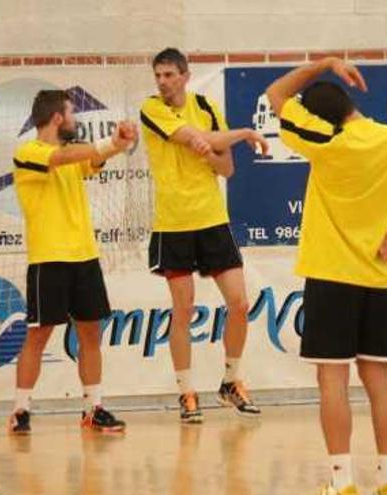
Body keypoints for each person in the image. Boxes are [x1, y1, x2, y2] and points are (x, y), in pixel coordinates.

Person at [266, 56, 387, 495]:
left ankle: (342, 481)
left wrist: (323, 63)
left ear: (316, 116)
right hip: (379, 280)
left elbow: (275, 95)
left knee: (332, 379)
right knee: (379, 381)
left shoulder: (326, 140)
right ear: (351, 103)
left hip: (332, 278)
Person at [139, 47, 268, 423]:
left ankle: (231, 381)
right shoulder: (152, 108)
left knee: (240, 303)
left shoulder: (207, 107)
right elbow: (185, 135)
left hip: (212, 220)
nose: (162, 82)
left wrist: (208, 147)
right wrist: (236, 133)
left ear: (184, 75)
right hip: (174, 224)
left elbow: (226, 167)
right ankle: (186, 392)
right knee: (184, 309)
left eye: (168, 75)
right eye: (158, 75)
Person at [9, 89, 137, 434]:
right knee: (38, 335)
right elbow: (62, 159)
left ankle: (93, 408)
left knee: (90, 333)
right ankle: (21, 410)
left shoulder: (71, 154)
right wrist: (107, 142)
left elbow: (92, 160)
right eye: (71, 113)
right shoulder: (29, 152)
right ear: (57, 118)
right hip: (48, 258)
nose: (76, 120)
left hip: (84, 257)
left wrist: (120, 142)